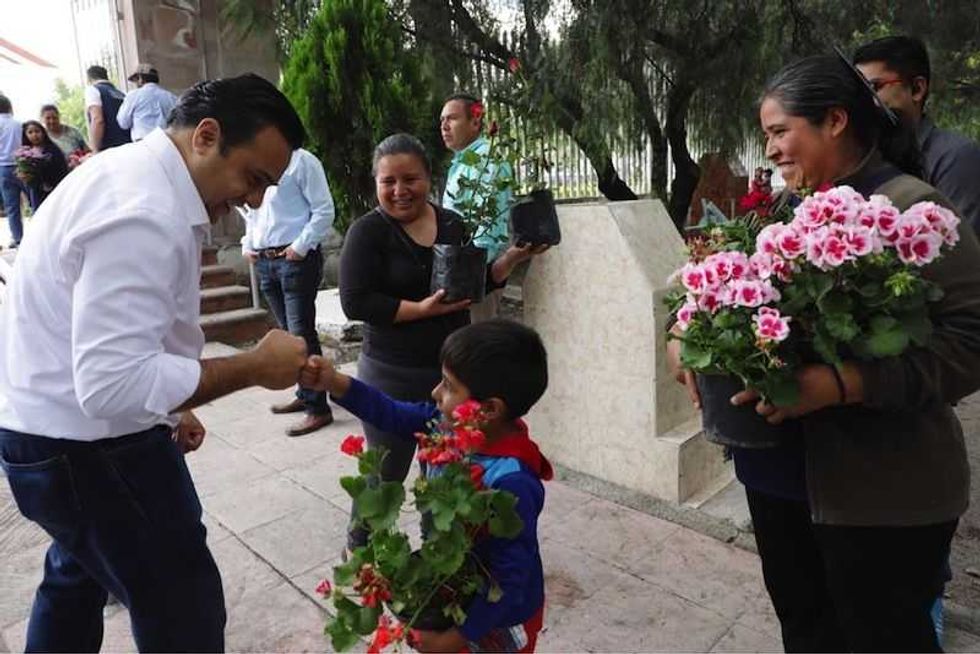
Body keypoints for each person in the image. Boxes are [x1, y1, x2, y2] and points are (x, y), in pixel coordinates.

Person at [668, 54, 979, 653]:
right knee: (808, 633)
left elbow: (971, 343)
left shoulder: (913, 210)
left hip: (882, 496)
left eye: (779, 131)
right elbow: (711, 295)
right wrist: (682, 336)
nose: (770, 150)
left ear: (835, 121)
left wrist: (842, 384)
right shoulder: (785, 211)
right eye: (766, 136)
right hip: (780, 483)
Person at [0, 73, 311, 652]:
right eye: (253, 178)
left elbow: (120, 340)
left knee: (75, 579)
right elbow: (113, 383)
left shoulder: (134, 178)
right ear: (206, 136)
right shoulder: (143, 208)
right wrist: (253, 366)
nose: (253, 200)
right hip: (87, 450)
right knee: (182, 609)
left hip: (51, 434)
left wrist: (170, 406)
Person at [339, 133, 546, 550]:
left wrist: (511, 258)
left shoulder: (451, 223)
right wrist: (421, 310)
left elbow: (471, 284)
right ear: (376, 183)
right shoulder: (367, 233)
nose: (400, 190)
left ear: (429, 178)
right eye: (388, 181)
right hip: (392, 373)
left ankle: (439, 556)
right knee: (384, 475)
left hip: (453, 377)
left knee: (446, 474)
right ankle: (360, 553)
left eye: (410, 179)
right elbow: (355, 302)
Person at [302, 319, 551, 653]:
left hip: (498, 613)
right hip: (453, 582)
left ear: (489, 409)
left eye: (448, 386)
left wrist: (456, 638)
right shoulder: (443, 427)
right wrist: (334, 382)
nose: (435, 393)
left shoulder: (512, 481)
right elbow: (390, 412)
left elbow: (510, 579)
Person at [241, 147, 336, 436]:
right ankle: (306, 394)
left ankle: (318, 408)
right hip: (265, 262)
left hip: (295, 260)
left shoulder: (301, 161)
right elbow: (253, 214)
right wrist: (248, 244)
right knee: (289, 336)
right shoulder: (257, 160)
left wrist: (300, 246)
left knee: (301, 334)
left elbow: (324, 210)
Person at [855, 35, 980, 235]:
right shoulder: (865, 158)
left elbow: (961, 243)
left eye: (874, 87)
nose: (864, 102)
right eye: (858, 91)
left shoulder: (956, 157)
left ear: (917, 89)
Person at [440, 93, 514, 322]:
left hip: (476, 278)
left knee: (476, 340)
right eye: (442, 120)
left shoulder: (486, 161)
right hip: (461, 272)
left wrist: (470, 274)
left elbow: (489, 228)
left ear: (474, 122)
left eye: (452, 118)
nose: (444, 126)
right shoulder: (463, 162)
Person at [116, 63, 179, 142]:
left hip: (143, 142)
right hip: (165, 141)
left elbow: (123, 123)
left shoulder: (134, 96)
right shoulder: (171, 97)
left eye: (136, 80)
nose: (136, 84)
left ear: (140, 79)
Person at [18, 120, 68, 210]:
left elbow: (62, 170)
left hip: (54, 189)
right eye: (30, 132)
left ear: (43, 132)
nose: (34, 135)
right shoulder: (25, 153)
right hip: (35, 191)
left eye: (37, 131)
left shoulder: (53, 150)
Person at [84, 65, 131, 152]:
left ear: (89, 79)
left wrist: (94, 149)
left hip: (110, 149)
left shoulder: (93, 90)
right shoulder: (122, 94)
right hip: (128, 146)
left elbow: (97, 120)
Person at [0, 94, 23, 248]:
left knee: (12, 206)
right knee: (34, 201)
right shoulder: (19, 124)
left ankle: (18, 238)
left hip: (3, 168)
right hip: (24, 166)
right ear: (9, 106)